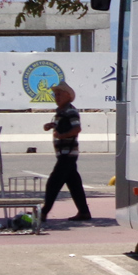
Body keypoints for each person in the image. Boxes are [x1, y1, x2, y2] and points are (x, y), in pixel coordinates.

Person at [41, 82, 92, 221]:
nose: (56, 97)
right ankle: (84, 212)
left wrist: (62, 136)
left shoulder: (71, 111)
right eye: (55, 95)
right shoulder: (60, 112)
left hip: (67, 153)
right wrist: (49, 126)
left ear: (68, 96)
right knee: (74, 184)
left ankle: (44, 212)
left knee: (53, 182)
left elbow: (76, 129)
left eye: (59, 94)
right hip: (64, 154)